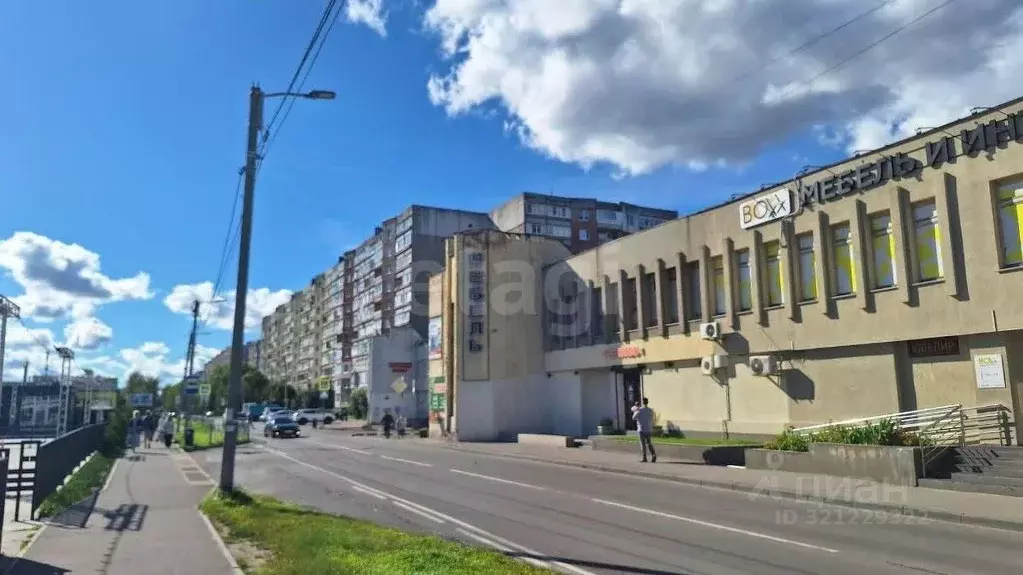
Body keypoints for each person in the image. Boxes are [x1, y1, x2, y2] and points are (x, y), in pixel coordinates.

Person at [632, 397, 657, 463]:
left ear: (642, 402)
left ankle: (644, 458)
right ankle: (653, 454)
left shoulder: (639, 410)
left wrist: (636, 410)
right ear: (647, 402)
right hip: (648, 428)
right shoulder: (650, 410)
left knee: (643, 444)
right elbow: (652, 418)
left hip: (641, 428)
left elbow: (633, 418)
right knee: (649, 443)